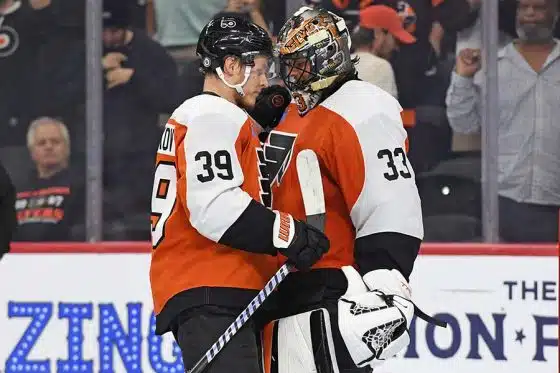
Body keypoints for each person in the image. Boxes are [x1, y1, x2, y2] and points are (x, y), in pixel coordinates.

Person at [260, 7, 443, 373]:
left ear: (329, 56)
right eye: (288, 64)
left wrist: (385, 278)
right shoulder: (294, 109)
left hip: (327, 287)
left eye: (300, 64)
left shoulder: (363, 108)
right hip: (279, 287)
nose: (291, 74)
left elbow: (390, 202)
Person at [148, 16, 330, 373]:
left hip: (215, 287)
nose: (265, 80)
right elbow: (214, 206)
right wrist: (289, 233)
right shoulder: (209, 113)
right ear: (231, 66)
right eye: (260, 69)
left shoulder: (212, 117)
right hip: (211, 284)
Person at [446, 0, 560, 242]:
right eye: (524, 7)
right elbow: (464, 125)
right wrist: (463, 79)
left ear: (555, 13)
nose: (530, 14)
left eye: (539, 8)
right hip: (504, 202)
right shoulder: (492, 66)